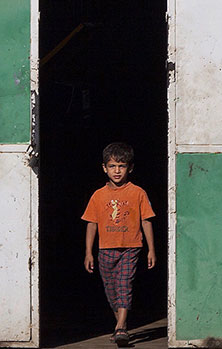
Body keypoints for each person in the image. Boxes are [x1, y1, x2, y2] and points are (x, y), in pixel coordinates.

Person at [82, 141, 156, 345]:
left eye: (122, 166)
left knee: (124, 285)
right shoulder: (98, 195)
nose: (117, 171)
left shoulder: (137, 192)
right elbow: (91, 224)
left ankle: (121, 327)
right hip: (105, 249)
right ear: (104, 168)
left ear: (130, 168)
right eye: (112, 166)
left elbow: (146, 220)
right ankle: (120, 327)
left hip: (130, 247)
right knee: (111, 290)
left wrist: (151, 249)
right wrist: (88, 252)